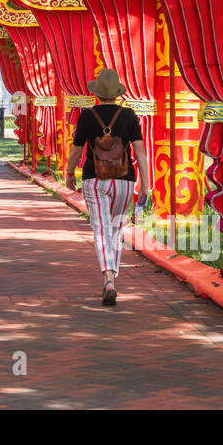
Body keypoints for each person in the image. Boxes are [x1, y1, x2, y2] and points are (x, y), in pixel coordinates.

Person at [64, 68, 151, 307]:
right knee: (115, 229)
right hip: (125, 180)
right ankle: (112, 276)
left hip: (95, 180)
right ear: (116, 93)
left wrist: (70, 172)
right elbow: (140, 151)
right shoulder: (129, 115)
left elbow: (76, 149)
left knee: (101, 229)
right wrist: (146, 182)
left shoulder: (87, 116)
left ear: (97, 93)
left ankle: (108, 278)